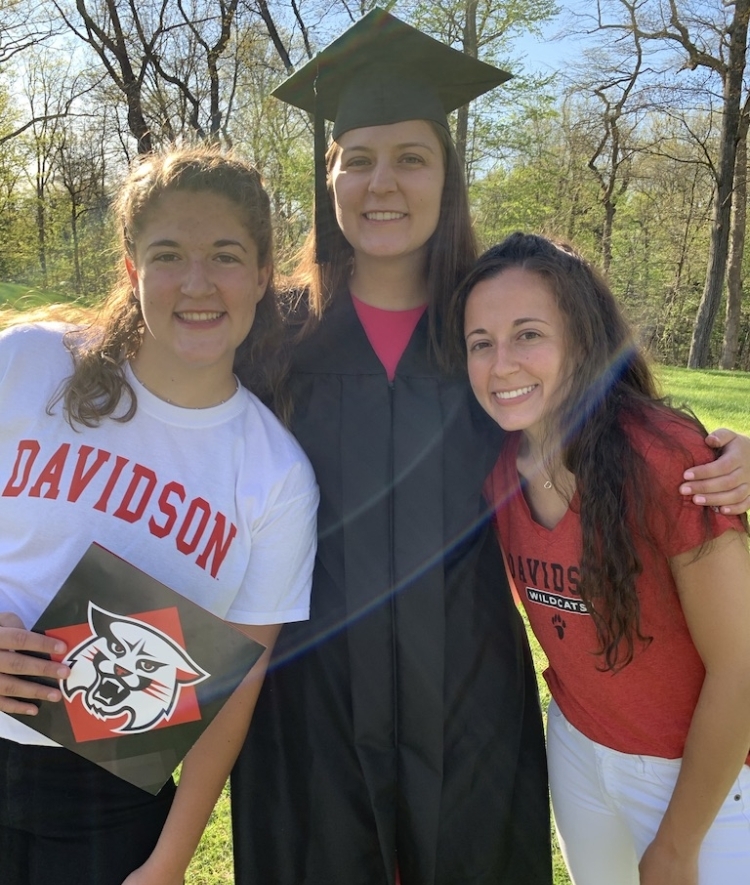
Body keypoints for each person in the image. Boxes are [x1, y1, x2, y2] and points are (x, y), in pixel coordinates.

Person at [231, 9, 750, 885]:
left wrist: (731, 450)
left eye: (412, 157)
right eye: (357, 157)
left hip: (466, 701)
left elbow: (615, 420)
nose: (381, 182)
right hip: (308, 700)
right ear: (328, 177)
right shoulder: (275, 335)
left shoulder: (485, 330)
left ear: (449, 176)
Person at [0, 146, 318, 885]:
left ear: (265, 273)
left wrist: (169, 860)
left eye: (227, 255)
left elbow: (232, 690)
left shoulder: (275, 475)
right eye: (168, 253)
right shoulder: (30, 365)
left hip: (105, 805)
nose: (197, 283)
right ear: (131, 266)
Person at [453, 231, 750, 885]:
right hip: (579, 751)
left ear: (582, 340)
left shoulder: (664, 456)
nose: (501, 364)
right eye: (481, 343)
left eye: (528, 334)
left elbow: (742, 663)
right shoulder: (498, 467)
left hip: (704, 778)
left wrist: (676, 845)